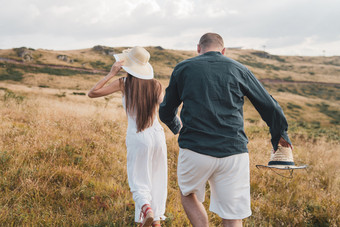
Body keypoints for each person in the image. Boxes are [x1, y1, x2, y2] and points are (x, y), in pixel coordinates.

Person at [159, 33, 293, 227]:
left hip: (195, 150)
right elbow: (270, 106)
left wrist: (177, 127)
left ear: (198, 48)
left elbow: (165, 110)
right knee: (232, 215)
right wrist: (280, 136)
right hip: (234, 153)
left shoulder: (184, 68)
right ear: (223, 50)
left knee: (188, 194)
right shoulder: (239, 69)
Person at [88, 46, 167, 227]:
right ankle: (155, 222)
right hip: (157, 136)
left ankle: (146, 209)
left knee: (139, 180)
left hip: (139, 136)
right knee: (157, 180)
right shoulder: (157, 85)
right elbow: (166, 109)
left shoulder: (124, 83)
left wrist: (111, 73)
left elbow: (93, 93)